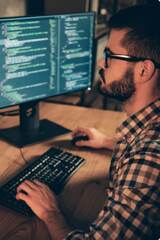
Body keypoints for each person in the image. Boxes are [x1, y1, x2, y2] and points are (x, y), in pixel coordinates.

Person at [16, 4, 160, 239]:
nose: (102, 65)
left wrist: (51, 213)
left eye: (110, 56)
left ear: (143, 71)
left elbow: (147, 162)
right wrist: (108, 142)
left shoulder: (148, 162)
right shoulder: (148, 133)